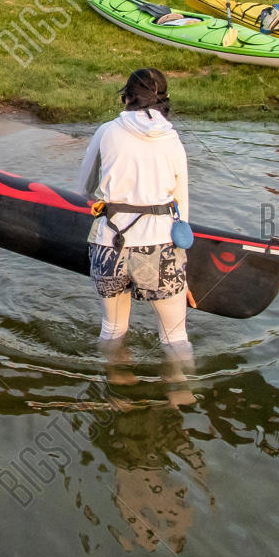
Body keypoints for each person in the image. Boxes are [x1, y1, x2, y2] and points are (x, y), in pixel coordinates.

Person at [76, 68, 193, 359]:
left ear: (126, 97)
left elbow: (84, 189)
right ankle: (183, 386)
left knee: (112, 330)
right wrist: (181, 270)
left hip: (109, 243)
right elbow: (181, 210)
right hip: (160, 246)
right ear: (164, 100)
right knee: (175, 337)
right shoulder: (172, 139)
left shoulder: (106, 131)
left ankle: (116, 384)